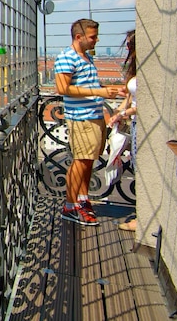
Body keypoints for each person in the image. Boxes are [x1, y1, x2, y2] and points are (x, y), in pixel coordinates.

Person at [54, 18, 125, 226]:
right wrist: (99, 91)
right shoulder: (67, 57)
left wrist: (110, 91)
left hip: (92, 117)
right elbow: (62, 89)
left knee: (87, 162)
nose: (97, 40)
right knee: (81, 162)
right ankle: (69, 206)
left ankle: (82, 200)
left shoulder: (85, 57)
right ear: (79, 37)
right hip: (81, 118)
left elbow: (88, 85)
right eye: (93, 36)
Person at [108, 29, 138, 231]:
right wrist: (118, 111)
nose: (127, 47)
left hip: (140, 123)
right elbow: (131, 96)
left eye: (130, 44)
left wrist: (124, 113)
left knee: (141, 170)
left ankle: (143, 219)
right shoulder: (137, 66)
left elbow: (144, 101)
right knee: (138, 166)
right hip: (135, 123)